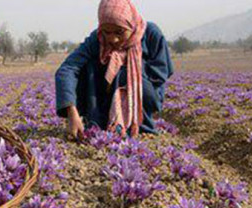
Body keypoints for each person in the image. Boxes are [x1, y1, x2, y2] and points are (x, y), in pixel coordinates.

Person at [55, 0, 174, 139]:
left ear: (131, 24)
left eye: (120, 32)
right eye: (107, 32)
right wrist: (71, 111)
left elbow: (161, 72)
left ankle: (139, 124)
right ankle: (96, 121)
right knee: (88, 65)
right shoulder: (97, 38)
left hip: (144, 95)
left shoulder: (150, 33)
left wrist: (125, 69)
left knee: (123, 71)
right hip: (105, 95)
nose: (113, 39)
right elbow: (67, 68)